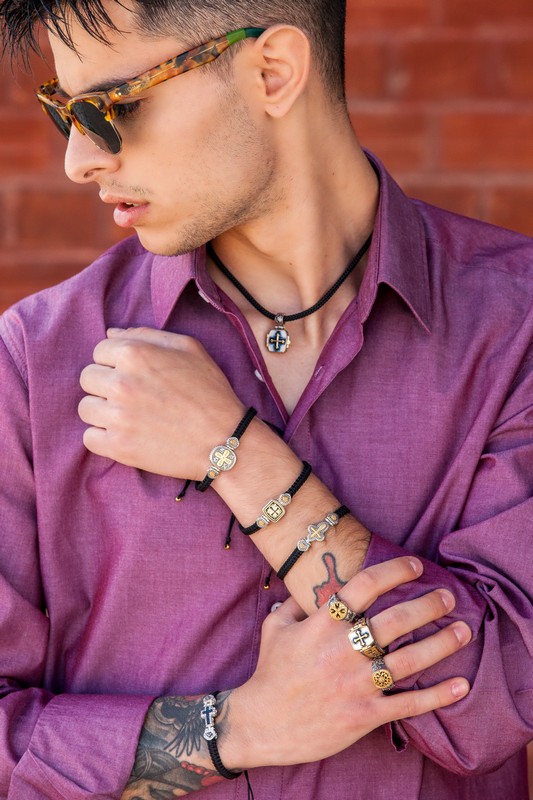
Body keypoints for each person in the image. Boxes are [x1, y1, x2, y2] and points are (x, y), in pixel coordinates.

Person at [0, 0, 532, 798]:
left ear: (272, 73)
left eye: (112, 108)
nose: (79, 159)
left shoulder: (515, 326)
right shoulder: (36, 357)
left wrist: (238, 456)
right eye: (63, 113)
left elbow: (491, 705)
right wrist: (239, 730)